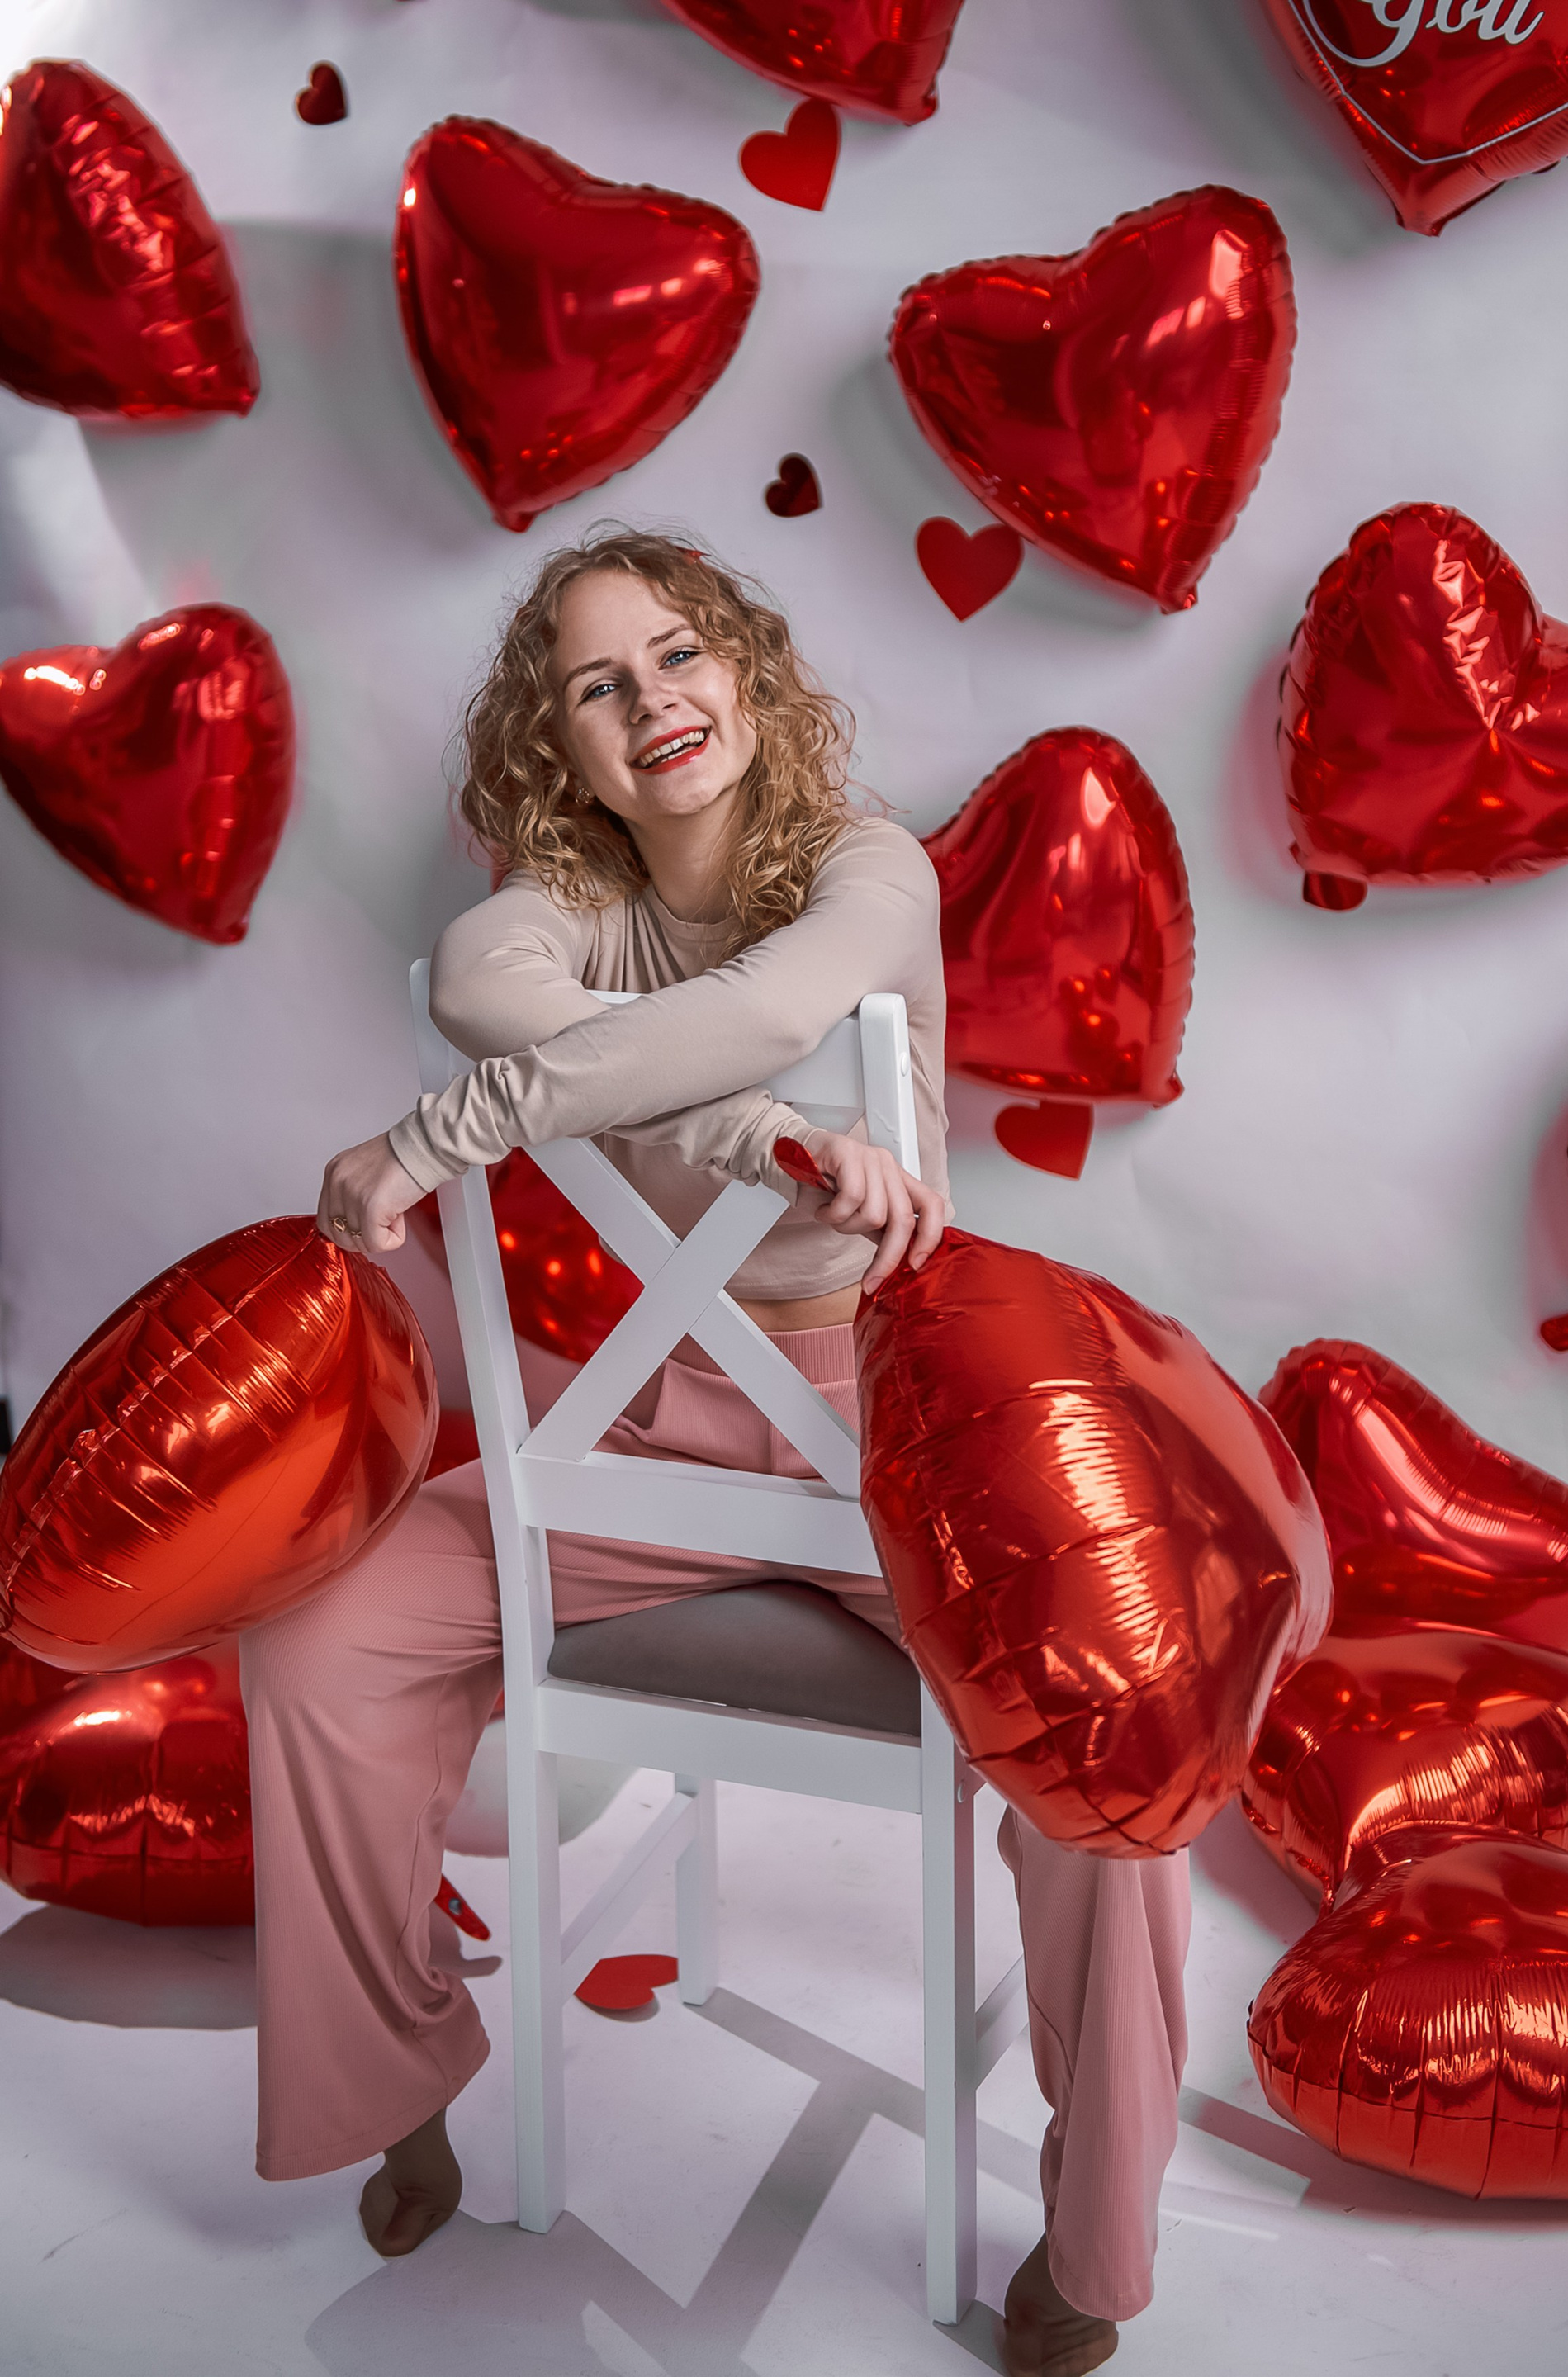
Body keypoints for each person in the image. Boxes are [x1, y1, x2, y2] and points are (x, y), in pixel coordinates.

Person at [239, 530, 1190, 2377]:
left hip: (902, 1432)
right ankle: (397, 2081)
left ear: (745, 671)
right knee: (319, 1637)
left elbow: (757, 1014)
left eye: (679, 654)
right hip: (653, 1424)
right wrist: (756, 1135)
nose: (653, 700)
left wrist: (439, 1136)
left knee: (1105, 1738)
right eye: (598, 684)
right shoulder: (548, 917)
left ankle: (1098, 2232)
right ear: (562, 747)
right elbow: (478, 987)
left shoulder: (869, 870)